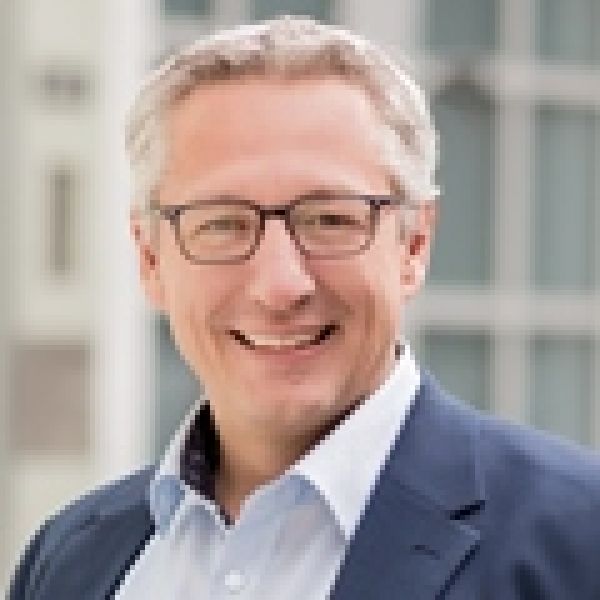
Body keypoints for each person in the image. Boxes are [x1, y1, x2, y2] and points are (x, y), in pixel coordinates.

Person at [9, 16, 600, 600]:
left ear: (414, 244)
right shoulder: (68, 561)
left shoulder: (579, 541)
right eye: (222, 224)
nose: (279, 285)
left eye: (330, 220)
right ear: (150, 259)